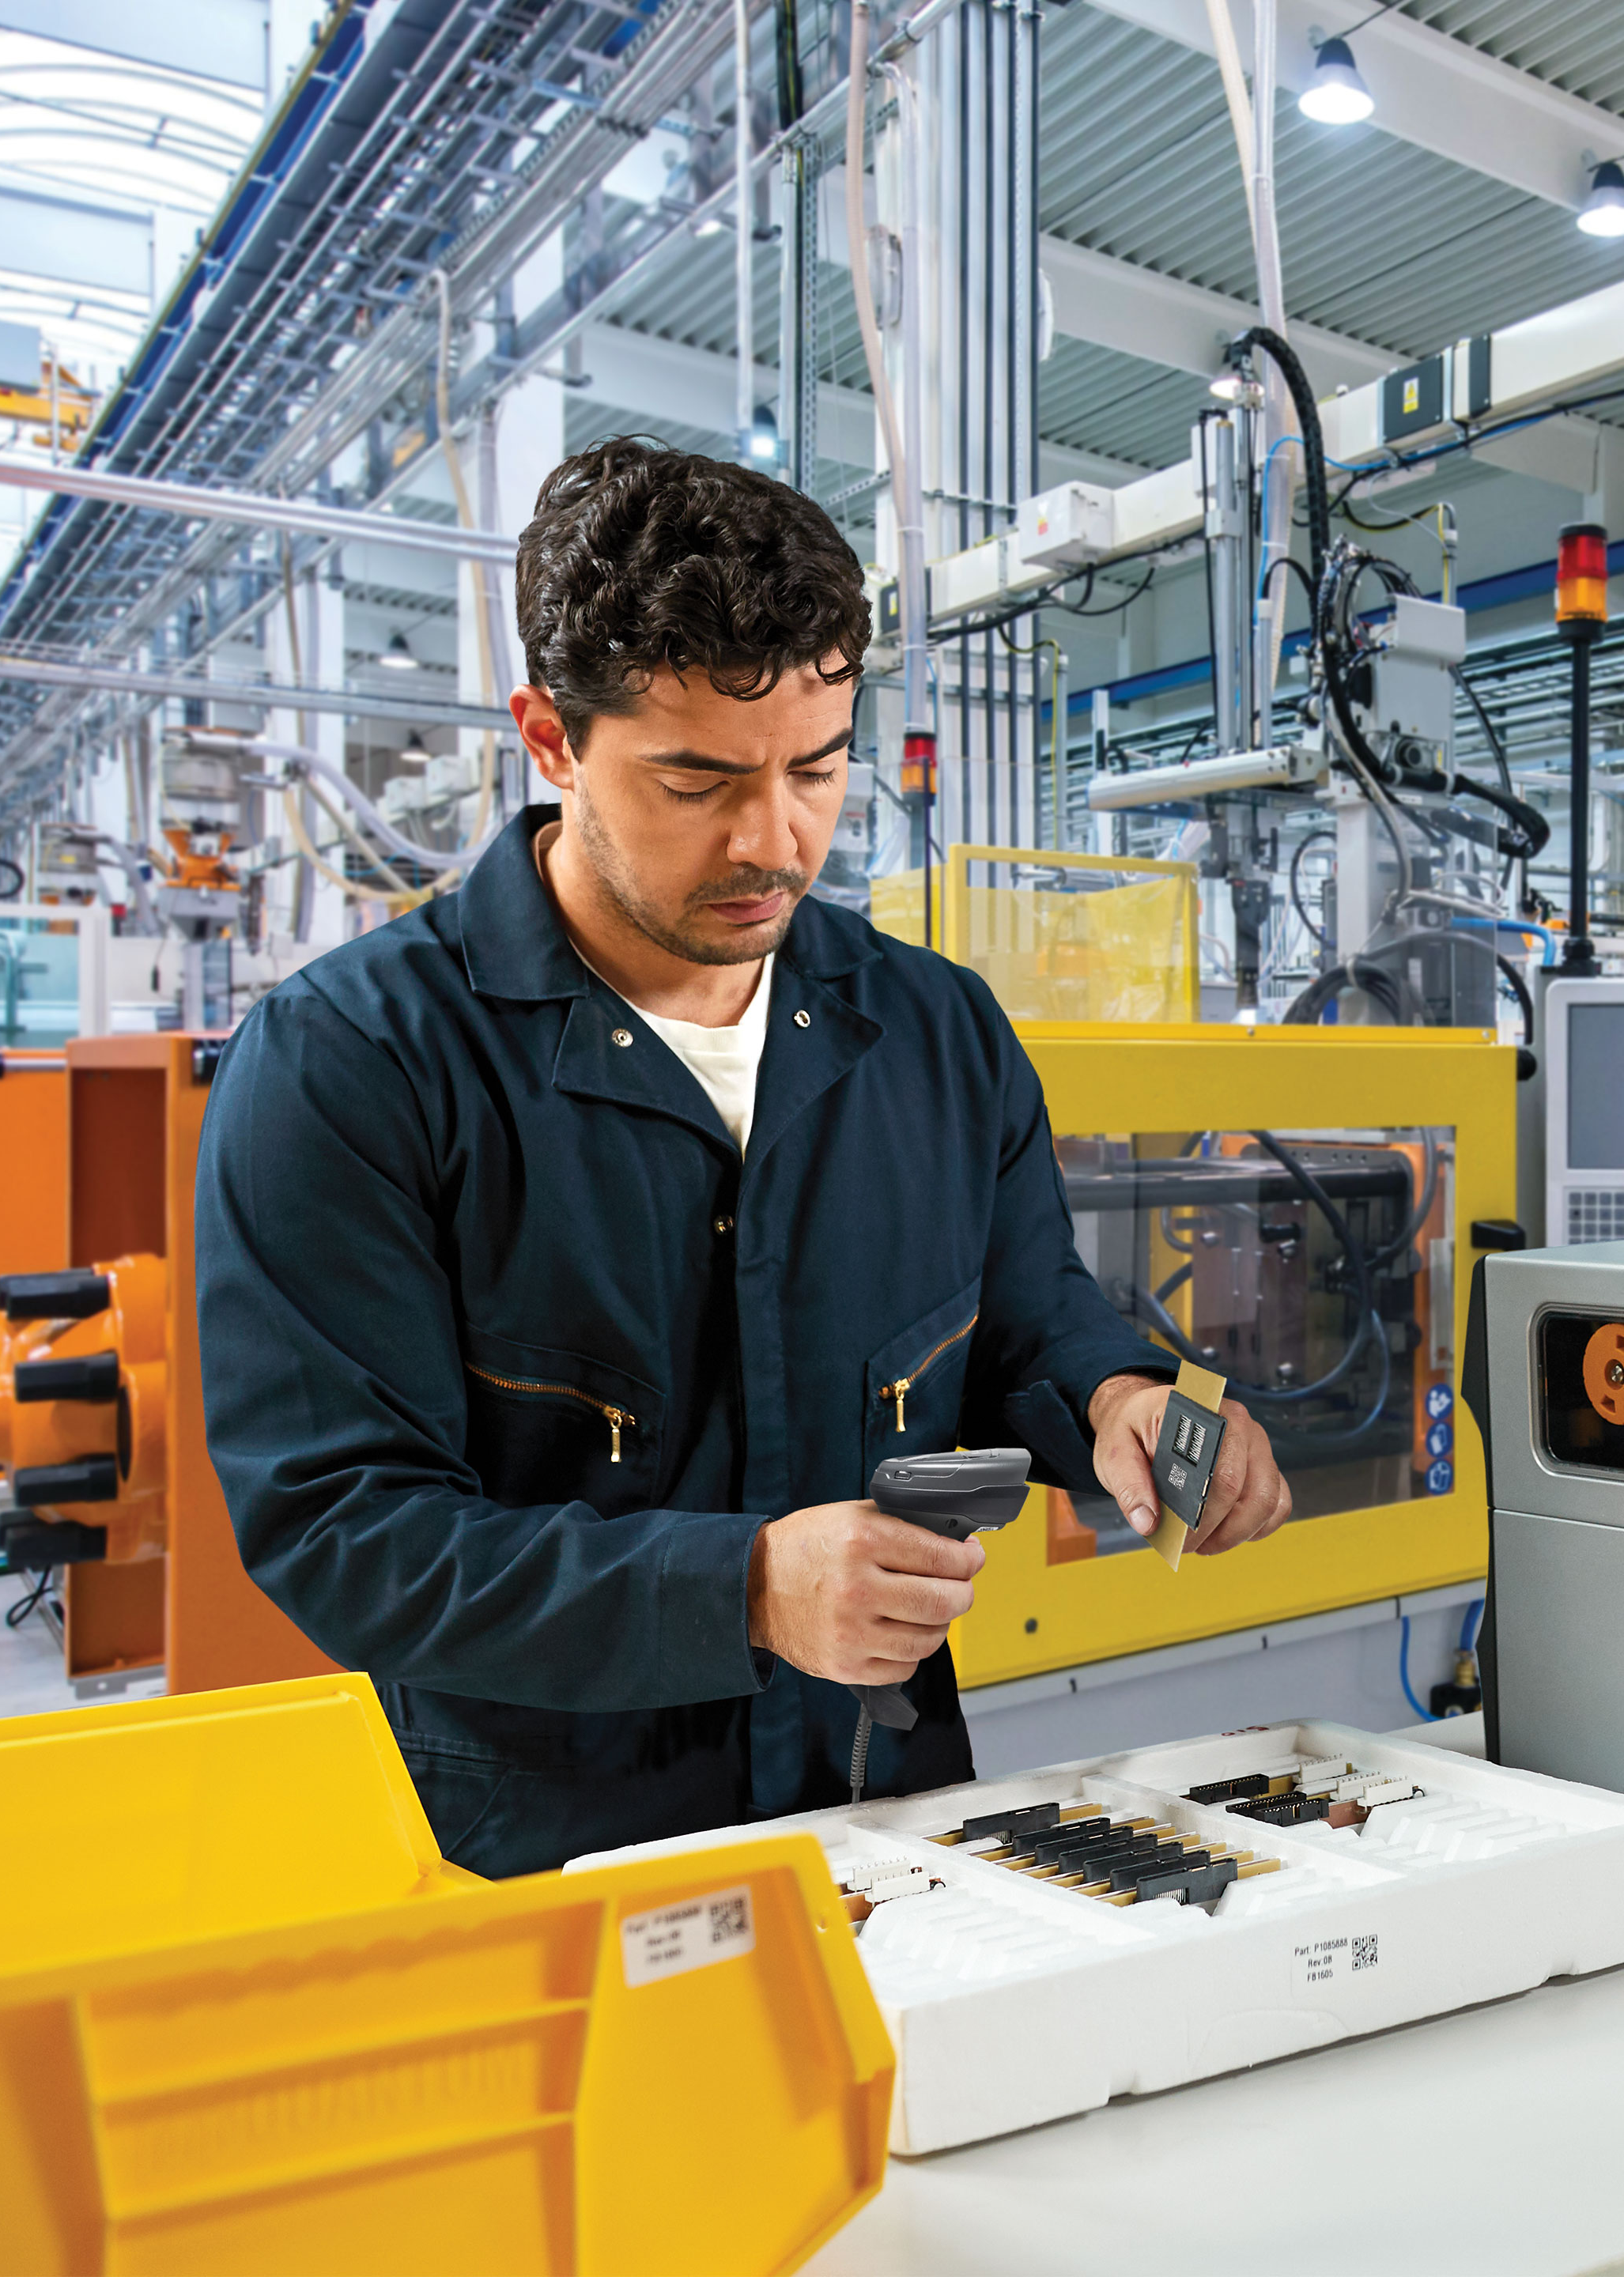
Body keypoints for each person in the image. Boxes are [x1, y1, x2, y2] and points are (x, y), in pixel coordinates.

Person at [196, 440, 1289, 1875]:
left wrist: (1118, 1400)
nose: (776, 840)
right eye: (698, 780)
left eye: (817, 771)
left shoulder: (934, 1033)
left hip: (888, 1813)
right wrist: (746, 1591)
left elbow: (1031, 1319)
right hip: (543, 1856)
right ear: (549, 739)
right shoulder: (355, 1065)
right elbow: (345, 1531)